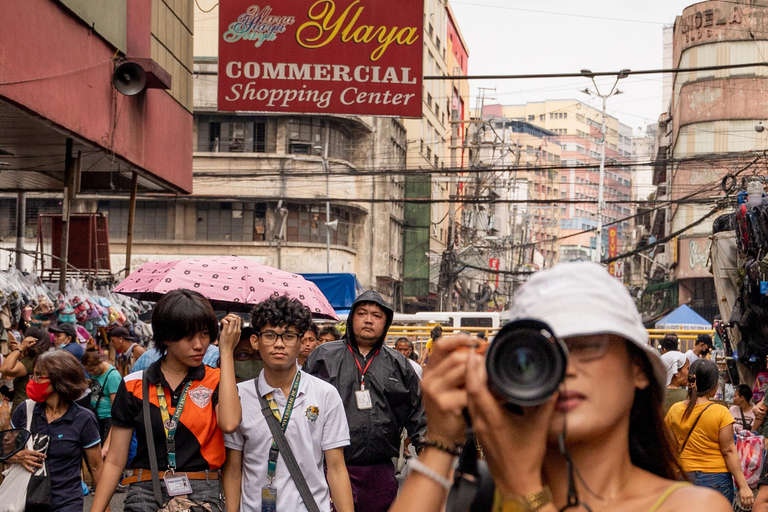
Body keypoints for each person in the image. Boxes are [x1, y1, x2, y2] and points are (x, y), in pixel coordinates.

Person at [390, 261, 731, 512]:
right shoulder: (474, 493)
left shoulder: (693, 506)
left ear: (638, 370)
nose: (564, 368)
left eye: (586, 345)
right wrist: (441, 440)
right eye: (538, 356)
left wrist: (524, 491)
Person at [90, 289, 242, 512]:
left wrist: (227, 352)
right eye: (188, 336)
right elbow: (114, 460)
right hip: (145, 493)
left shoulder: (217, 380)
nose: (199, 345)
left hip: (202, 494)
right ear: (166, 337)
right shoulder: (134, 384)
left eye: (205, 334)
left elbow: (229, 423)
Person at [222, 295, 354, 512]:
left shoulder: (324, 394)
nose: (279, 344)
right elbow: (234, 470)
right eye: (270, 335)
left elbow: (337, 469)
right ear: (255, 341)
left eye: (289, 336)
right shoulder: (238, 397)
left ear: (302, 342)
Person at [304, 290, 426, 512]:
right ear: (352, 319)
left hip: (379, 473)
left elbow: (419, 414)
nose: (369, 320)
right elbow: (303, 405)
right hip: (329, 467)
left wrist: (430, 457)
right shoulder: (323, 356)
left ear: (386, 322)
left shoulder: (399, 365)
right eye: (362, 313)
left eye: (377, 315)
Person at [9, 350, 104, 512]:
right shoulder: (25, 410)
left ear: (59, 380)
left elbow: (96, 467)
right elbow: (6, 449)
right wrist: (18, 456)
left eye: (39, 376)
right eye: (33, 375)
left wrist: (104, 506)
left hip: (67, 503)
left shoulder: (84, 418)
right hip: (27, 500)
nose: (33, 381)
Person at [665, 358, 752, 505]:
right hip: (716, 479)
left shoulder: (675, 409)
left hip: (684, 476)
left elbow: (670, 446)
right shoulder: (721, 412)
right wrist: (743, 486)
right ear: (713, 385)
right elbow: (729, 451)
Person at [0, 326, 50, 414]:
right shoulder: (41, 359)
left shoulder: (32, 361)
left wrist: (21, 347)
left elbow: (5, 369)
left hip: (22, 411)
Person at [82, 350, 122, 455]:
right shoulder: (95, 373)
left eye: (92, 369)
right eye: (88, 371)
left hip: (107, 418)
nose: (91, 373)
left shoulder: (113, 377)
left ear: (100, 362)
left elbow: (116, 405)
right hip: (96, 416)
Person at [660, 350, 689, 415]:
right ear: (676, 372)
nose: (689, 373)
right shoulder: (687, 397)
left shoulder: (654, 395)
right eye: (688, 368)